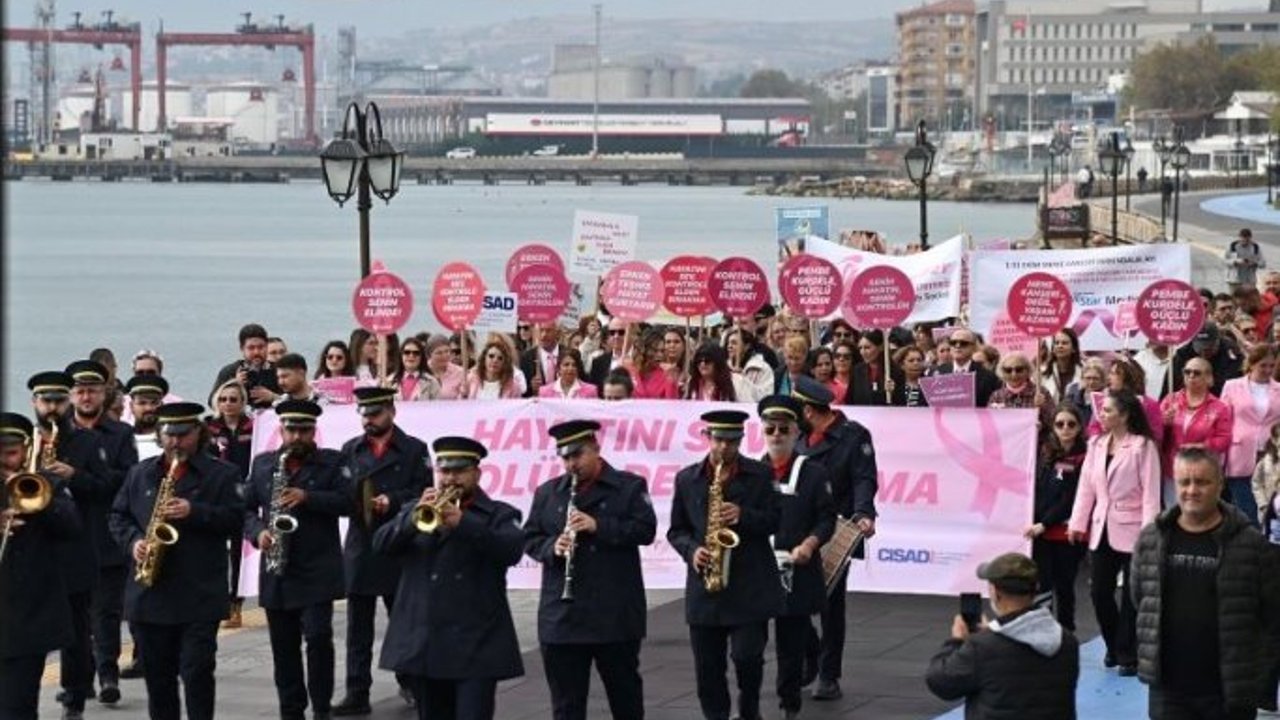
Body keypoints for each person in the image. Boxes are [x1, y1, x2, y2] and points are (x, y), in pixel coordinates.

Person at [109, 401, 244, 720]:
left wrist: (195, 512)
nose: (176, 442)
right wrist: (134, 542)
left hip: (199, 593)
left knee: (197, 672)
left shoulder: (223, 474)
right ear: (159, 436)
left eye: (184, 435)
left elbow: (237, 520)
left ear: (198, 433)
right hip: (150, 594)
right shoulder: (140, 473)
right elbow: (118, 515)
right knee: (158, 680)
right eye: (170, 435)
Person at [373, 436, 525, 720]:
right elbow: (380, 545)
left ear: (476, 474)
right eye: (444, 471)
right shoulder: (414, 509)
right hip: (426, 643)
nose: (450, 478)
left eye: (459, 471)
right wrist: (410, 521)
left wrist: (463, 523)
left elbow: (510, 549)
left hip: (476, 644)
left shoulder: (499, 514)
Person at [1132, 447, 1280, 719]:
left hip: (1229, 691)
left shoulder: (1252, 545)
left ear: (1220, 484)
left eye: (1202, 482)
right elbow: (1140, 598)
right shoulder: (1151, 538)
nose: (1192, 490)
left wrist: (1255, 676)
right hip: (1169, 690)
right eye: (1184, 482)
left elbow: (1272, 617)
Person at [522, 420, 656, 720]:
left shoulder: (629, 486)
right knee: (567, 704)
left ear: (596, 448)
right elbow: (530, 538)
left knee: (625, 697)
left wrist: (599, 526)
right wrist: (553, 547)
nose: (572, 464)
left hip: (614, 611)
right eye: (566, 458)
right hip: (564, 614)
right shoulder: (548, 493)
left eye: (578, 455)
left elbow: (645, 530)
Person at [668, 409, 783, 720]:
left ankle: (750, 709)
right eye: (718, 440)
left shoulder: (760, 475)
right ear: (707, 438)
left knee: (748, 658)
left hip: (749, 585)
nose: (723, 448)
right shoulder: (688, 479)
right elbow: (676, 530)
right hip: (706, 588)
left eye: (731, 442)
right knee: (708, 668)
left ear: (741, 441)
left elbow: (776, 520)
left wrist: (743, 515)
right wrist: (692, 551)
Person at [244, 399, 349, 720]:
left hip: (317, 567)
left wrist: (309, 497)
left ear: (313, 431)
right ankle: (291, 710)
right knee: (283, 648)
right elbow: (245, 508)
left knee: (318, 639)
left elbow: (350, 502)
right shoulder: (263, 465)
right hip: (278, 569)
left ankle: (320, 708)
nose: (298, 436)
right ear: (282, 430)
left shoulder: (332, 463)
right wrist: (258, 531)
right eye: (291, 429)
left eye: (304, 429)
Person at [333, 387, 431, 715]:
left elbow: (424, 491)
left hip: (398, 543)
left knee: (404, 620)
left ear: (391, 411)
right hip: (362, 544)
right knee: (358, 628)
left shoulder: (414, 449)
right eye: (363, 414)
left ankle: (412, 682)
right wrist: (358, 502)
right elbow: (341, 493)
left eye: (374, 413)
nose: (368, 420)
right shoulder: (351, 450)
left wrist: (393, 500)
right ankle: (357, 691)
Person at [28, 370, 112, 720]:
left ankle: (75, 696)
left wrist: (73, 476)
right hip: (34, 554)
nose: (51, 408)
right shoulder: (26, 442)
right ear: (34, 403)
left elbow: (106, 488)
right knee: (31, 628)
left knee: (77, 631)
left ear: (69, 402)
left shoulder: (89, 443)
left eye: (58, 401)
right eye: (45, 401)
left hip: (76, 547)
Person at [792, 376, 877, 700]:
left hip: (836, 526)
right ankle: (810, 652)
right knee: (788, 600)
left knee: (830, 604)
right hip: (796, 526)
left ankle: (829, 674)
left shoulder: (853, 436)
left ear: (810, 411)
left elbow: (864, 479)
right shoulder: (797, 434)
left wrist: (864, 513)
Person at [1068, 389, 1161, 676]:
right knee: (1099, 592)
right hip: (1101, 526)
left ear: (1125, 414)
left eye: (1108, 410)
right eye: (1102, 409)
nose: (1101, 414)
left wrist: (1149, 533)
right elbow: (1085, 488)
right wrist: (1077, 523)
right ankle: (1113, 644)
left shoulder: (1143, 446)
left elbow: (1150, 494)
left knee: (1133, 595)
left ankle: (1127, 652)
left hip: (1133, 527)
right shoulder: (1095, 444)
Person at [66, 359, 140, 707]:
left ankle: (107, 674)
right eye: (79, 391)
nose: (85, 396)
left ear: (103, 394)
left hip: (108, 535)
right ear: (71, 395)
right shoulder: (55, 435)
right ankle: (78, 680)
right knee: (73, 615)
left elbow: (123, 481)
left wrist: (76, 477)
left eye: (92, 390)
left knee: (107, 611)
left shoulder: (121, 434)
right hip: (67, 537)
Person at [924, 552, 1079, 719]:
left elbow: (941, 682)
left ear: (995, 592)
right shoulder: (1066, 640)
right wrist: (990, 633)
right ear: (1035, 591)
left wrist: (955, 641)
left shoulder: (983, 647)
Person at [757, 396, 835, 720]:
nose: (776, 435)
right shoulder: (752, 473)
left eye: (783, 429)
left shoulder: (813, 473)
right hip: (758, 570)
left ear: (794, 432)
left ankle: (789, 705)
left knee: (790, 644)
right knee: (750, 646)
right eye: (770, 429)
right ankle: (749, 705)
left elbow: (827, 518)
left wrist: (810, 543)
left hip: (798, 567)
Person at [0, 411, 81, 720]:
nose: (5, 461)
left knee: (17, 708)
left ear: (25, 451)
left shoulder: (46, 483)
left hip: (27, 616)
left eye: (11, 452)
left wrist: (40, 501)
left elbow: (72, 527)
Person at [1025, 404, 1088, 631]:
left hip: (1064, 532)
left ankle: (1067, 629)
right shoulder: (1044, 453)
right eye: (1060, 424)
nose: (1065, 428)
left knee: (1065, 584)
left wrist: (1046, 522)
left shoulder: (1084, 457)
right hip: (1040, 530)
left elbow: (1071, 499)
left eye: (1071, 424)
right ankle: (1043, 628)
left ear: (1080, 427)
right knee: (1043, 584)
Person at [205, 380, 253, 629]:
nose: (228, 404)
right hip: (217, 496)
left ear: (243, 402)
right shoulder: (208, 428)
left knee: (239, 555)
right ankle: (216, 600)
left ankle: (236, 603)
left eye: (233, 399)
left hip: (244, 495)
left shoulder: (253, 426)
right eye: (223, 399)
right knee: (215, 552)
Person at [1220, 346, 1280, 526]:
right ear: (1251, 364)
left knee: (1270, 511)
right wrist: (1220, 462)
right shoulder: (1231, 386)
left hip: (1271, 457)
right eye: (1263, 366)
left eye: (1271, 366)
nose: (1268, 370)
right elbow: (1224, 423)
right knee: (1246, 512)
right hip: (1240, 456)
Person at [1160, 357, 1233, 504]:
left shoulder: (1219, 407)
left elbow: (1224, 439)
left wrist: (1203, 446)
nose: (1191, 376)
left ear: (1209, 378)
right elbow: (1154, 431)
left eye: (1197, 373)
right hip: (1173, 468)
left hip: (1204, 469)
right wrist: (1163, 422)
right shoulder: (1170, 400)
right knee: (1174, 513)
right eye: (1187, 372)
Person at [210, 323, 282, 411]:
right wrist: (234, 386)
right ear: (242, 348)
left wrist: (273, 397)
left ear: (267, 346)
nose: (256, 352)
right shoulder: (230, 371)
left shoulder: (279, 371)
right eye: (251, 348)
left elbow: (296, 401)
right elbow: (212, 402)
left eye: (260, 347)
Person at [931, 327, 1000, 407]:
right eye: (953, 342)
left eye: (963, 343)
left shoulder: (988, 377)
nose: (957, 346)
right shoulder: (938, 373)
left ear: (973, 348)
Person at [1171, 322, 1242, 397]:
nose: (1203, 352)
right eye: (1199, 348)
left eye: (1208, 348)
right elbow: (1174, 381)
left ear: (1217, 341)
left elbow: (1231, 382)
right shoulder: (1183, 353)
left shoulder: (1231, 353)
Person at [988, 352, 1054, 431]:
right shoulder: (996, 396)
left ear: (1027, 371)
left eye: (1019, 370)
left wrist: (1043, 407)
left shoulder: (1041, 392)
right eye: (1008, 370)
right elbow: (990, 426)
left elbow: (1054, 421)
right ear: (1002, 372)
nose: (1014, 374)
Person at [846, 330, 901, 406]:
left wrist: (893, 393)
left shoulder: (895, 371)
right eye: (860, 348)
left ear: (881, 347)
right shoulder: (857, 370)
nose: (863, 352)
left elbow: (901, 402)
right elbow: (850, 400)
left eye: (867, 348)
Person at [127, 374, 169, 462]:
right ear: (131, 406)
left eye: (154, 403)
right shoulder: (123, 439)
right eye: (142, 403)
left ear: (162, 405)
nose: (149, 408)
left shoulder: (171, 440)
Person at [629, 328, 679, 400]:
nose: (660, 355)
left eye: (662, 351)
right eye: (655, 350)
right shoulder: (629, 370)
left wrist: (671, 381)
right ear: (644, 350)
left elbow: (672, 404)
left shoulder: (666, 374)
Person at [389, 337, 441, 402]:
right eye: (407, 352)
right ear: (401, 356)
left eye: (416, 353)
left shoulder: (432, 382)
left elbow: (438, 409)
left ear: (421, 357)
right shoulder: (389, 381)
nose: (411, 356)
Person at [1041, 329, 1082, 403]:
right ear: (1053, 349)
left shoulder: (1084, 372)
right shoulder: (1042, 373)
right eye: (1056, 343)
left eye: (1064, 343)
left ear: (1074, 348)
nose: (1060, 346)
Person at [1064, 358, 1107, 427]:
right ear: (1082, 378)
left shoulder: (1107, 399)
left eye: (1095, 379)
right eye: (1088, 378)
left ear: (1102, 380)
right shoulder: (1072, 396)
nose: (1091, 382)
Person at [424, 334, 467, 400]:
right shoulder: (422, 371)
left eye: (447, 351)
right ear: (429, 355)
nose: (444, 356)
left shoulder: (460, 372)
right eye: (439, 353)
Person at [588, 318, 627, 389]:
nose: (616, 336)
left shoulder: (639, 360)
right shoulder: (598, 362)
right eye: (612, 332)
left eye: (621, 332)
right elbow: (595, 391)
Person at [1225, 228, 1265, 293]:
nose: (1245, 241)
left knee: (1249, 300)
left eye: (1247, 240)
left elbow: (1263, 263)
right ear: (1239, 237)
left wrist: (1254, 263)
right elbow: (1225, 261)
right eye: (1243, 239)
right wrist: (1235, 262)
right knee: (1234, 299)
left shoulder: (1255, 247)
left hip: (1249, 280)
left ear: (1250, 238)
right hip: (1235, 280)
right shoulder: (1232, 246)